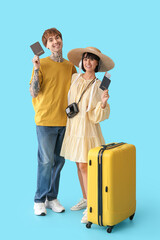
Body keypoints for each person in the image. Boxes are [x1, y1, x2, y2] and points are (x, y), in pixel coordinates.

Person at [60, 47, 114, 223]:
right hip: (74, 127)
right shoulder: (74, 78)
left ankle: (92, 205)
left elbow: (98, 116)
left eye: (91, 59)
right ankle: (85, 198)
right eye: (85, 59)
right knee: (79, 164)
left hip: (88, 130)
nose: (87, 62)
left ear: (97, 63)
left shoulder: (100, 85)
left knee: (86, 166)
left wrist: (103, 103)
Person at [29, 28, 77, 216]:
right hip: (45, 120)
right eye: (50, 40)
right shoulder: (41, 63)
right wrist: (36, 69)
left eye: (57, 38)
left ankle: (52, 198)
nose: (55, 41)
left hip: (65, 122)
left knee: (59, 161)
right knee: (46, 161)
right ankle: (39, 200)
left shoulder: (70, 66)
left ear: (62, 41)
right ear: (46, 46)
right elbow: (33, 92)